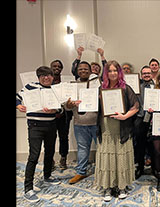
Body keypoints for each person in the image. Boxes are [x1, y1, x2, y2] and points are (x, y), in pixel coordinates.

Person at [95, 60, 139, 201]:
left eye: (115, 70)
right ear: (106, 73)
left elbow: (136, 107)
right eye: (110, 71)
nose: (112, 73)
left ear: (119, 72)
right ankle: (107, 187)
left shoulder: (126, 88)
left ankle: (121, 187)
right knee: (107, 157)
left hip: (122, 128)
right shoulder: (101, 89)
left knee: (120, 157)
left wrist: (124, 116)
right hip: (106, 128)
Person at [16, 66, 61, 203]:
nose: (46, 78)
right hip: (35, 126)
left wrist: (54, 110)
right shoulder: (30, 87)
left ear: (52, 77)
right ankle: (28, 189)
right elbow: (17, 98)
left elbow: (61, 109)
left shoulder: (56, 89)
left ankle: (47, 176)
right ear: (38, 77)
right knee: (34, 156)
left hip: (51, 125)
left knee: (50, 152)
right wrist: (18, 106)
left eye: (48, 75)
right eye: (43, 75)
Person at [65, 61, 98, 184]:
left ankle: (102, 171)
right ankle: (81, 172)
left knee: (101, 148)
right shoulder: (72, 86)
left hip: (96, 122)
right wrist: (70, 104)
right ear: (77, 71)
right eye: (80, 69)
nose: (83, 71)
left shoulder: (96, 85)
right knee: (82, 148)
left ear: (90, 71)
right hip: (79, 124)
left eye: (85, 69)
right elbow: (67, 107)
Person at [133, 65, 155, 179]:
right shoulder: (136, 86)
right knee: (139, 144)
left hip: (153, 118)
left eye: (148, 73)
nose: (146, 75)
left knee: (153, 144)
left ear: (152, 74)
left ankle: (154, 169)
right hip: (140, 117)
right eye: (144, 73)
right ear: (141, 75)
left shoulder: (156, 86)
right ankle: (140, 167)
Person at [50, 60, 73, 169]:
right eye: (54, 66)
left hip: (64, 115)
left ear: (61, 69)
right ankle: (50, 159)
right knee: (50, 138)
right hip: (50, 116)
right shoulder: (46, 81)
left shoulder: (66, 82)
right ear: (50, 67)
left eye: (59, 66)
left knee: (64, 137)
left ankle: (63, 158)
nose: (57, 68)